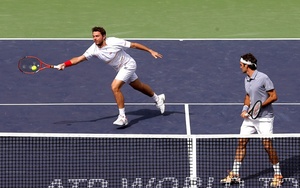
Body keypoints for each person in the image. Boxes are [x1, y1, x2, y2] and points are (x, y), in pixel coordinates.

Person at [56, 26, 165, 126]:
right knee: (138, 86)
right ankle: (158, 98)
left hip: (128, 64)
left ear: (104, 36)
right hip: (120, 69)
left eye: (97, 36)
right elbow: (79, 59)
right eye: (93, 36)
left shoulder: (114, 41)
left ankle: (122, 117)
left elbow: (134, 45)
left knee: (115, 87)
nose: (95, 38)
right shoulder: (93, 49)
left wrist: (150, 50)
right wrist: (64, 64)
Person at [220, 53, 283, 187]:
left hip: (265, 118)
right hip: (250, 118)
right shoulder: (247, 79)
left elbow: (274, 96)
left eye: (241, 65)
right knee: (241, 142)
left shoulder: (263, 78)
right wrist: (245, 108)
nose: (240, 67)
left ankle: (278, 174)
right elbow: (248, 95)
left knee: (267, 146)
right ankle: (235, 173)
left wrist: (259, 107)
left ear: (247, 65)